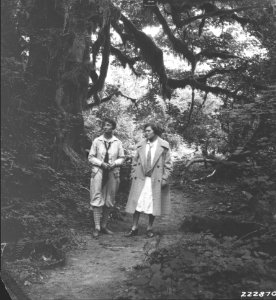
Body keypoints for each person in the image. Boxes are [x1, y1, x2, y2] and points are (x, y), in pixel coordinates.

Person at [125, 123, 172, 238]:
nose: (146, 133)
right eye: (145, 131)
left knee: (153, 203)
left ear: (155, 131)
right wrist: (132, 174)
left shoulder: (164, 145)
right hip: (140, 178)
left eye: (148, 131)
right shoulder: (141, 144)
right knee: (137, 202)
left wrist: (165, 178)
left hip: (155, 179)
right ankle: (134, 227)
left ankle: (149, 228)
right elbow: (135, 161)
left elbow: (168, 164)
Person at [88, 118, 125, 238]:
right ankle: (97, 227)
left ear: (113, 128)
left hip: (112, 173)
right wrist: (101, 163)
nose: (105, 127)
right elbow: (91, 157)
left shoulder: (117, 142)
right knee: (97, 197)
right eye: (104, 125)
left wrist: (114, 163)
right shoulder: (97, 141)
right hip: (98, 172)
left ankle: (104, 225)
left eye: (108, 125)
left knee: (109, 199)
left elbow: (122, 157)